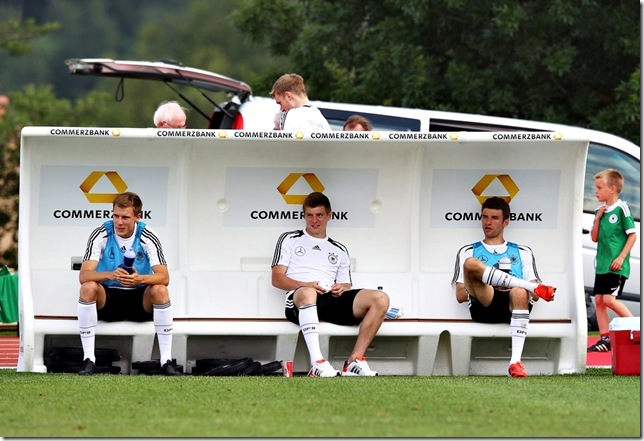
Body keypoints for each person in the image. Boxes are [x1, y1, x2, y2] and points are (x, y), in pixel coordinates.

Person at [271, 192, 389, 377]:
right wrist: (306, 284)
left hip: (329, 300)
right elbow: (277, 278)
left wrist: (341, 287)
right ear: (304, 215)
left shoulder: (339, 249)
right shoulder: (289, 239)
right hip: (299, 300)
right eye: (310, 215)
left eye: (319, 215)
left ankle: (354, 361)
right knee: (308, 292)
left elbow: (346, 284)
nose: (314, 220)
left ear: (329, 215)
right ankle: (317, 363)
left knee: (380, 299)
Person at [76, 192, 180, 376]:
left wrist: (139, 279)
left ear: (138, 217)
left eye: (125, 217)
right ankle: (89, 359)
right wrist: (110, 274)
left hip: (139, 301)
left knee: (160, 291)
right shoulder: (101, 233)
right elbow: (84, 275)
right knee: (87, 287)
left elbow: (164, 277)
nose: (119, 222)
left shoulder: (147, 235)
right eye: (115, 216)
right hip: (109, 299)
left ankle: (166, 361)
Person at [451, 196, 556, 378]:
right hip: (485, 304)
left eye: (494, 218)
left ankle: (515, 362)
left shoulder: (522, 251)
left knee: (520, 290)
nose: (488, 222)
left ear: (505, 222)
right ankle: (516, 283)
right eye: (484, 217)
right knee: (470, 264)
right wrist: (487, 281)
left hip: (514, 306)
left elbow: (536, 296)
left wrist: (524, 287)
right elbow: (460, 295)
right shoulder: (468, 250)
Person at [587, 169, 637, 352]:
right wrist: (598, 219)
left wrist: (621, 257)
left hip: (616, 266)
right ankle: (605, 339)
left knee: (608, 299)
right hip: (601, 266)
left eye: (600, 187)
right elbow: (594, 237)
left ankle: (637, 328)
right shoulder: (598, 211)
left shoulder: (622, 208)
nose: (596, 191)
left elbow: (632, 236)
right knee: (599, 301)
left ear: (613, 188)